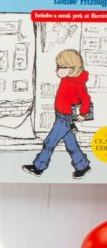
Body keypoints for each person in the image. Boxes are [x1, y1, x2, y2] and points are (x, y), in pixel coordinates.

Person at [23, 49, 91, 179]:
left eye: (61, 67)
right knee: (71, 144)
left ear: (72, 68)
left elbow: (86, 99)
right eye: (57, 66)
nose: (57, 70)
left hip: (65, 118)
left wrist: (83, 113)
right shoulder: (66, 79)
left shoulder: (78, 83)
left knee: (50, 142)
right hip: (60, 115)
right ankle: (82, 166)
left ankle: (38, 167)